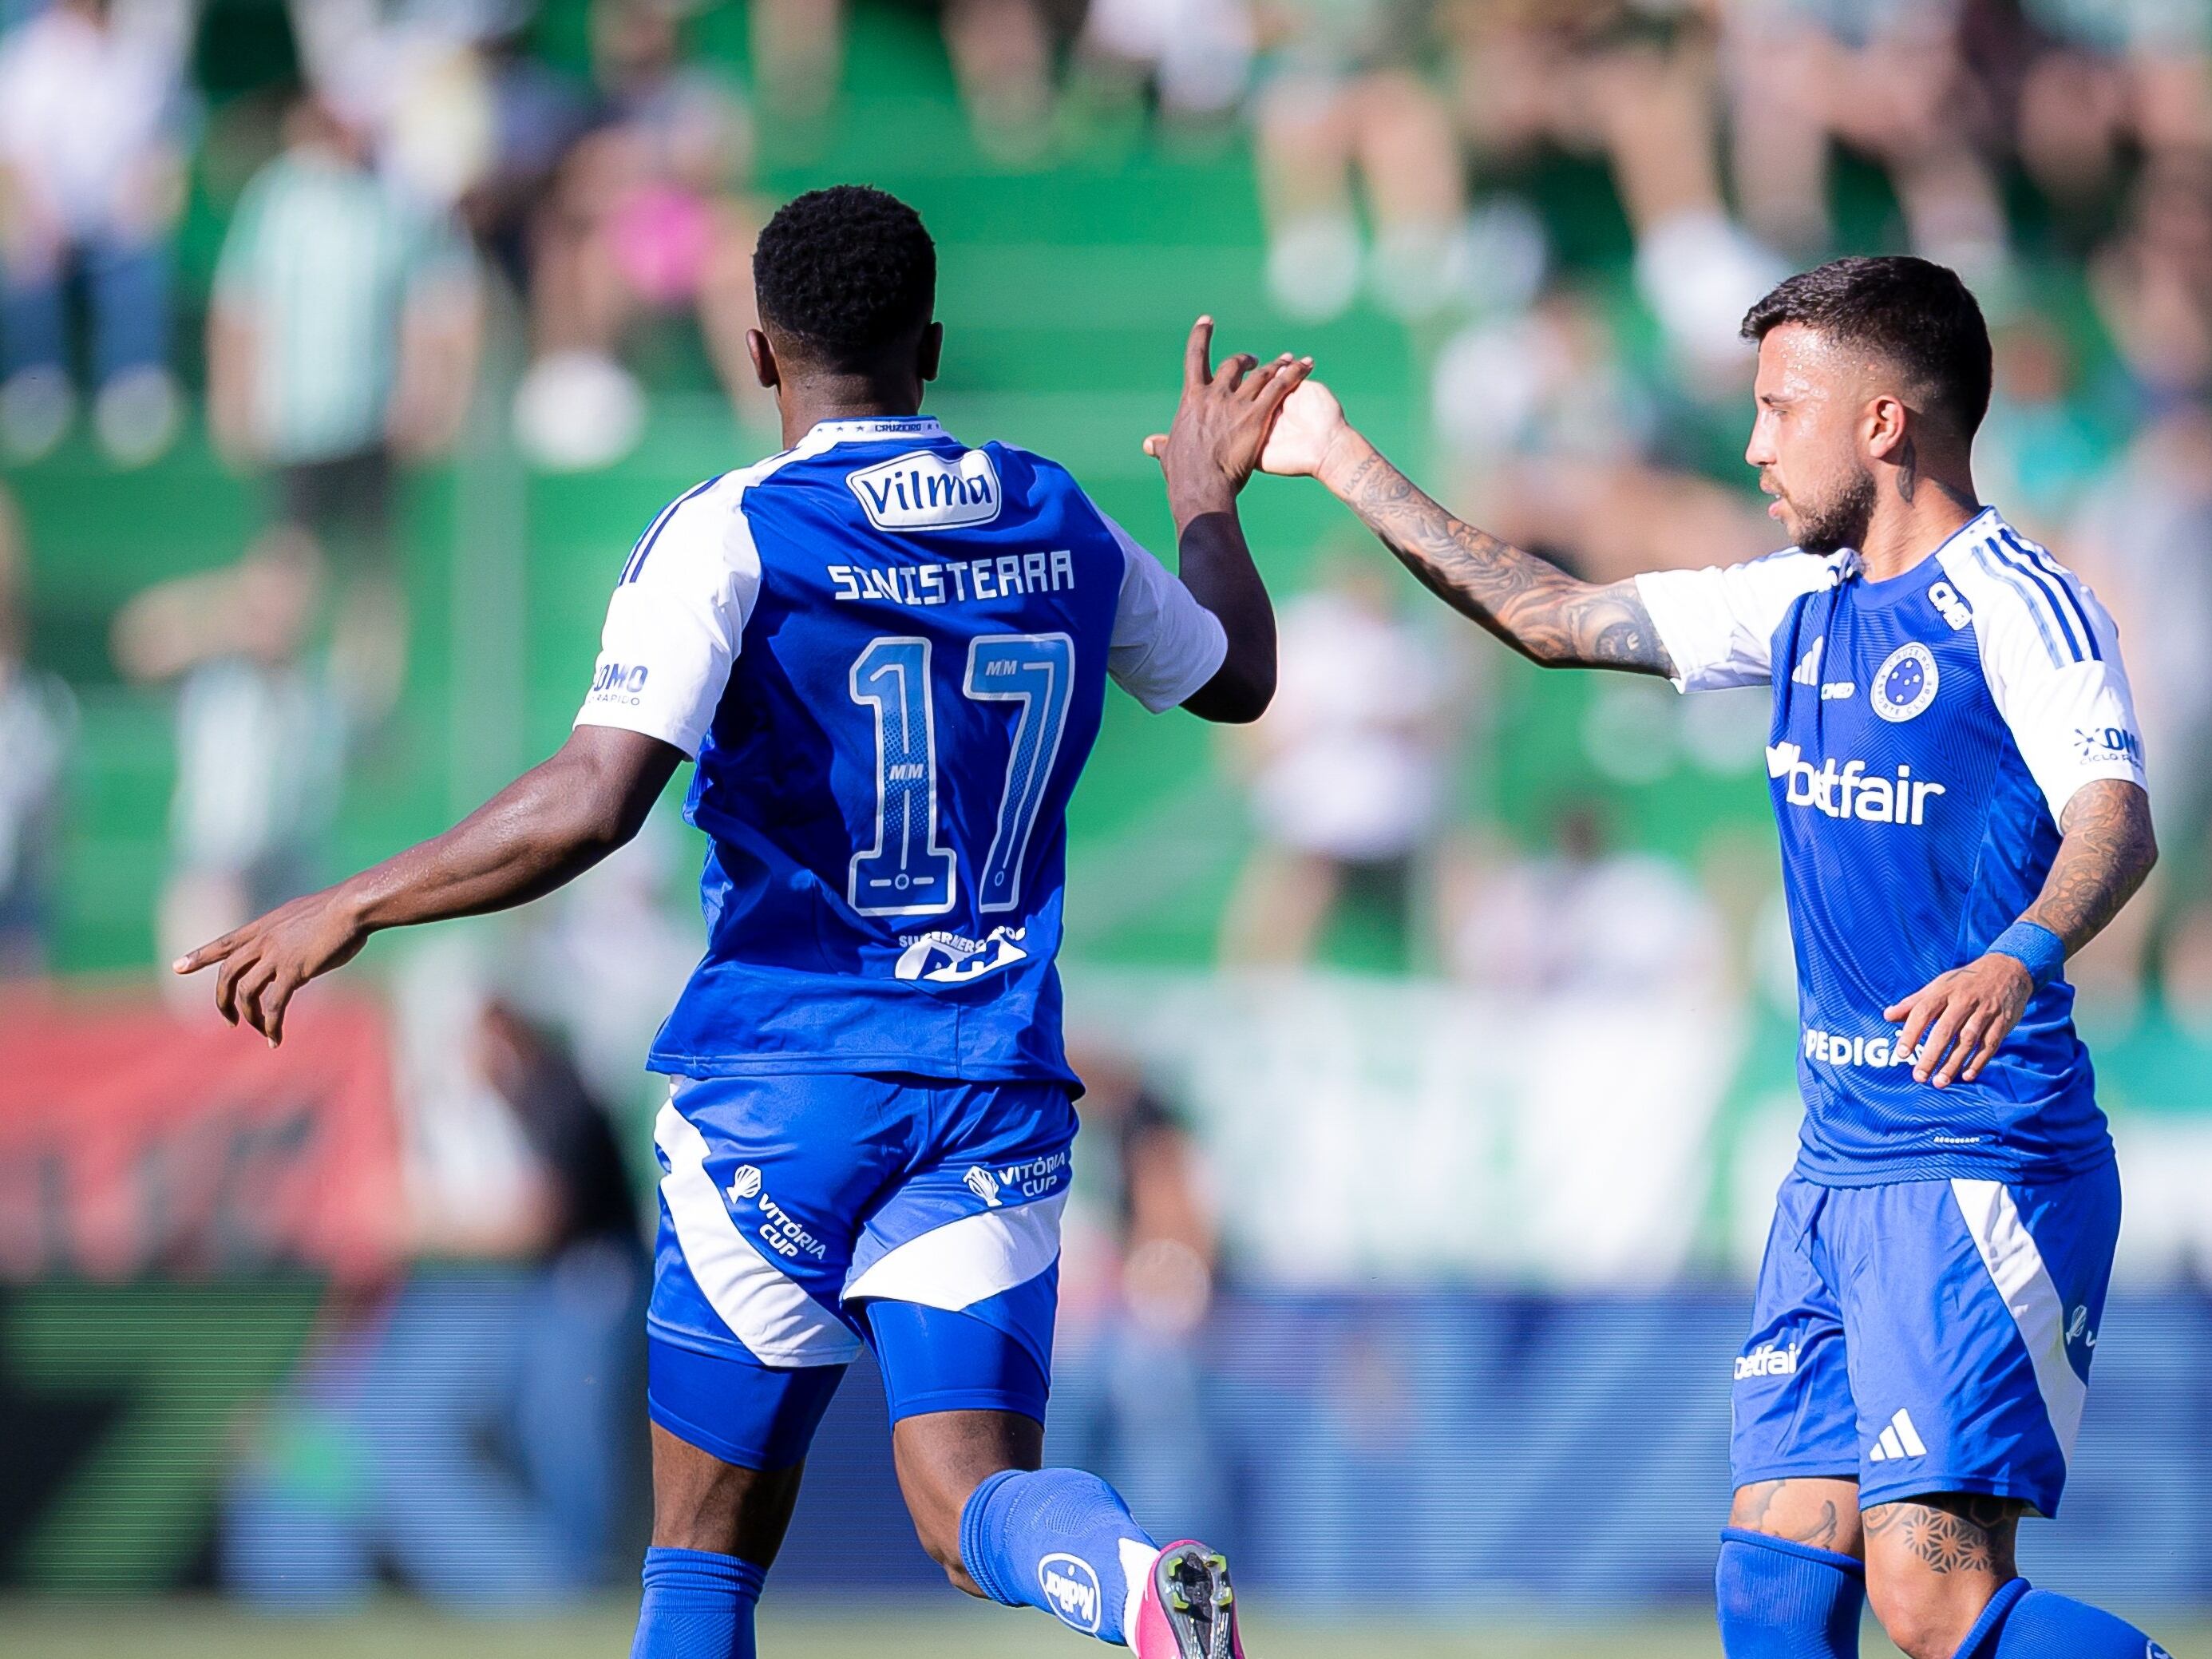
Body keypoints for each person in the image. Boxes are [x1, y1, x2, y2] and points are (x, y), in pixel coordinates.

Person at [175, 183, 1304, 1659]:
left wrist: (357, 900)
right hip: (989, 1085)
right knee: (972, 1498)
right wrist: (1209, 499)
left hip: (778, 1085)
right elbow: (1231, 675)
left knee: (700, 1558)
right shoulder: (1053, 511)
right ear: (934, 345)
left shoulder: (734, 530)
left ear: (761, 351)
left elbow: (594, 799)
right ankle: (1130, 1579)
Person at [1253, 255, 2171, 1659]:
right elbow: (1550, 618)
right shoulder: (1790, 603)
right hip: (1835, 1170)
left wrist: (2019, 956)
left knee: (1933, 1601)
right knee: (1772, 1577)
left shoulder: (2019, 605)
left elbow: (2117, 813)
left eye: (1777, 407)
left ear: (1880, 422)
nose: (1750, 443)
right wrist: (1336, 459)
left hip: (1979, 1157)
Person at [0, 0, 192, 465]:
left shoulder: (139, 54)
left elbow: (161, 138)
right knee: (24, 256)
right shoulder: (27, 54)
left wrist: (138, 194)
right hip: (45, 213)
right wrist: (45, 215)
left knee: (138, 256)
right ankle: (36, 383)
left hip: (120, 213)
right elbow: (16, 150)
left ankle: (133, 384)